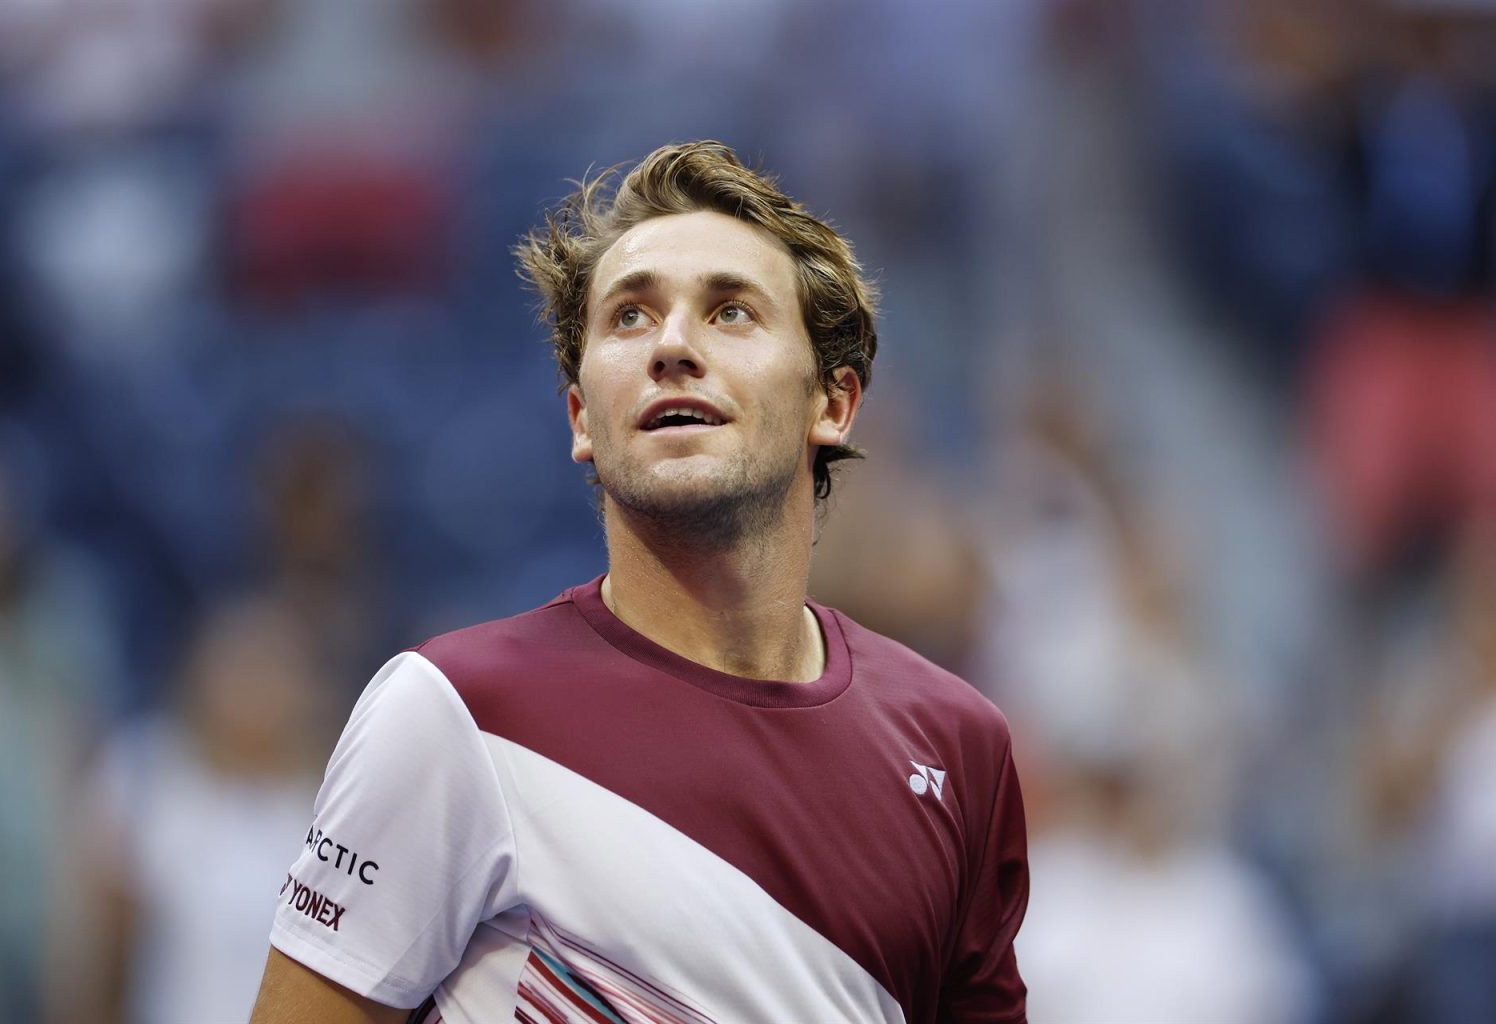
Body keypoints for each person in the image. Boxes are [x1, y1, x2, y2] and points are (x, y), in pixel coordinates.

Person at [249, 140, 1030, 1024]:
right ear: (583, 417)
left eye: (731, 311)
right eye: (629, 317)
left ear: (834, 403)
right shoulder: (451, 713)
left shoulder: (959, 748)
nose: (670, 345)